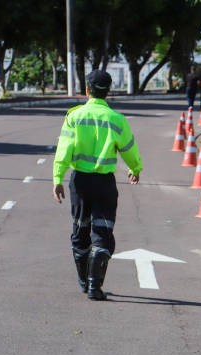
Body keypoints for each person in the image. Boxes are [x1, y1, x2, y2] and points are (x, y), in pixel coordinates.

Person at [52, 70, 143, 301]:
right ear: (108, 91)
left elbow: (64, 150)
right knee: (102, 232)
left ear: (87, 90)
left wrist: (57, 178)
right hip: (105, 184)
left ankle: (83, 281)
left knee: (80, 231)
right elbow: (129, 149)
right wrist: (135, 169)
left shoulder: (74, 116)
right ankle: (94, 285)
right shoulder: (117, 119)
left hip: (80, 182)